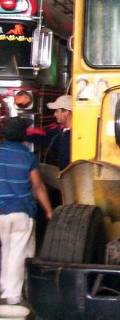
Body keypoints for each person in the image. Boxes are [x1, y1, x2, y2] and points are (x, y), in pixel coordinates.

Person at [0, 117, 53, 306]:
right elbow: (38, 186)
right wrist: (49, 210)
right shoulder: (27, 157)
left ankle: (4, 286)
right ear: (23, 135)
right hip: (21, 212)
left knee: (6, 249)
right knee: (18, 252)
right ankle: (13, 296)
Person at [27, 95, 72, 170]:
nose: (54, 114)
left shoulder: (75, 136)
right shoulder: (62, 131)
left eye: (57, 111)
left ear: (66, 112)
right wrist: (21, 135)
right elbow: (46, 139)